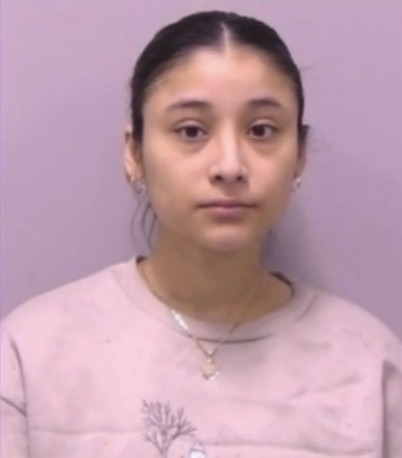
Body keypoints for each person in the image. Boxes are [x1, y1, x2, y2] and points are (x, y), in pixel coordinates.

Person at [1, 10, 401, 458]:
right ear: (134, 153)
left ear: (300, 155)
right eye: (191, 131)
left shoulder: (371, 367)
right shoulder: (31, 354)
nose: (230, 166)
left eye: (261, 130)